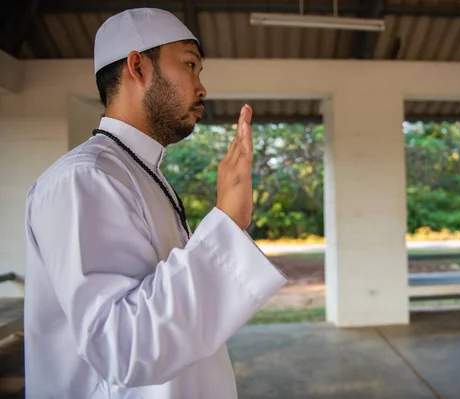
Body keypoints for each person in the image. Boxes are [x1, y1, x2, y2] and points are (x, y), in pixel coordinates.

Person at [23, 7, 287, 398]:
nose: (202, 89)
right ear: (137, 66)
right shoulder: (86, 177)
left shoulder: (137, 172)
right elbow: (123, 347)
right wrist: (228, 221)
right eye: (190, 65)